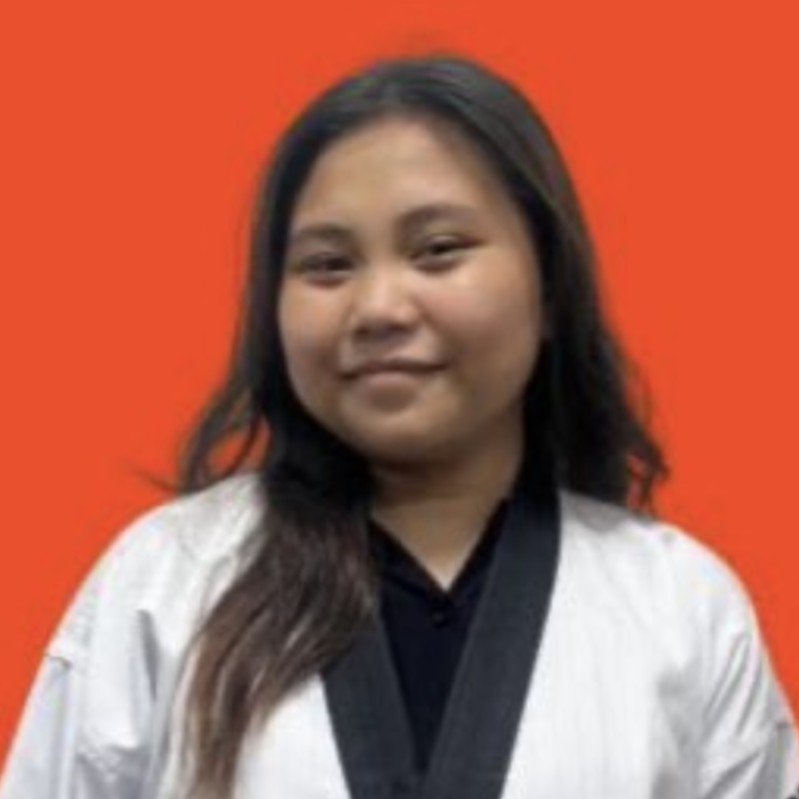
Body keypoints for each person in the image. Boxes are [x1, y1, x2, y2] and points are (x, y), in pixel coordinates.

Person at [1, 52, 796, 799]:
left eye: (438, 249)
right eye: (327, 264)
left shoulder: (679, 608)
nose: (378, 308)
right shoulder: (161, 584)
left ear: (551, 288)